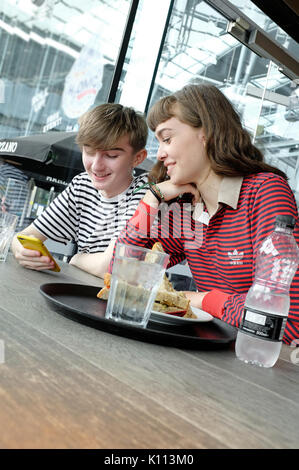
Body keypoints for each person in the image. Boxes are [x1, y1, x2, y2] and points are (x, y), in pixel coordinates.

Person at [115, 84, 299, 345]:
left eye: (167, 139)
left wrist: (203, 299)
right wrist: (151, 197)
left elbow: (288, 322)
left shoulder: (264, 191)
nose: (161, 154)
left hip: (262, 365)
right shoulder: (187, 208)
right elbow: (125, 275)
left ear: (206, 133)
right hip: (208, 352)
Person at [11, 103, 149, 277]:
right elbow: (24, 237)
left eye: (111, 156)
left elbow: (111, 266)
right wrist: (23, 252)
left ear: (138, 158)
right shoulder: (83, 185)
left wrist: (77, 259)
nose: (96, 166)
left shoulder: (145, 191)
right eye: (89, 152)